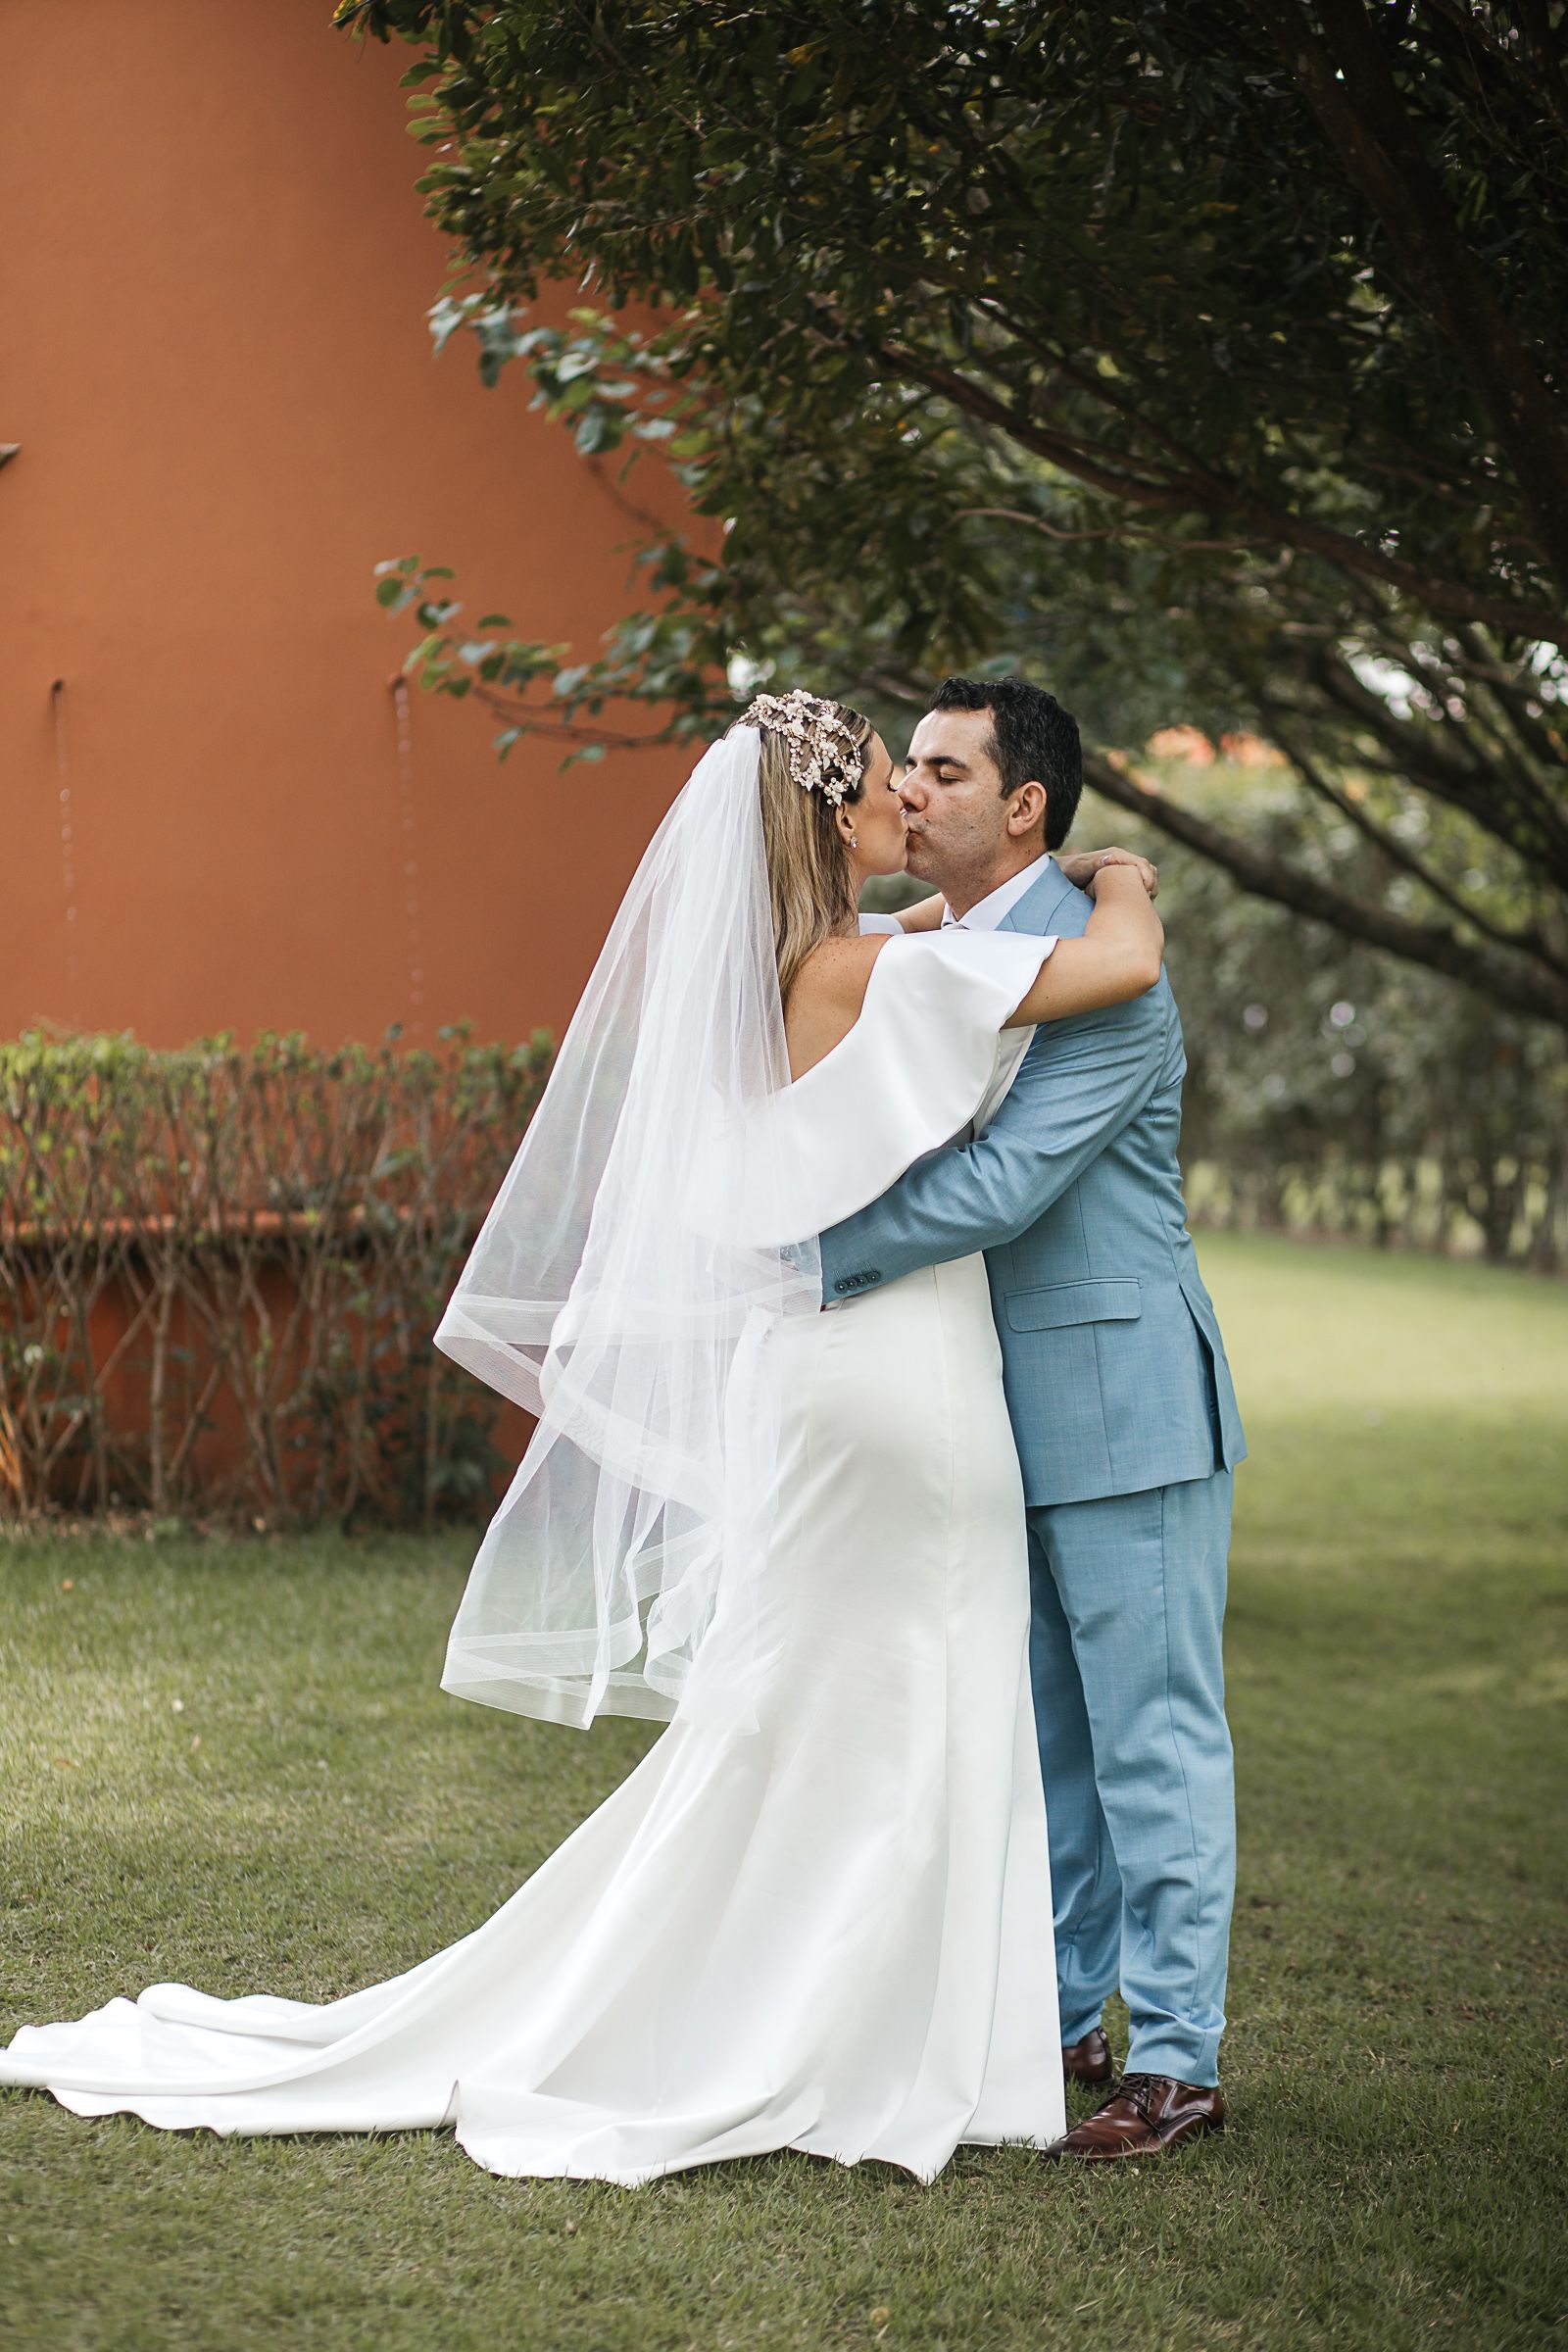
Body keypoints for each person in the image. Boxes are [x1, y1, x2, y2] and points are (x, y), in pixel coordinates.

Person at [0, 690, 1164, 2185]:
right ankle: (854, 2033)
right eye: (886, 782)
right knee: (899, 1686)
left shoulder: (798, 973)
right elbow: (1119, 963)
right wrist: (1122, 873)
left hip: (819, 1373)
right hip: (897, 1378)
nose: (909, 804)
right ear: (830, 819)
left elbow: (956, 945)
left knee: (821, 1699)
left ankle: (835, 2008)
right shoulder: (866, 973)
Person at [832, 675, 1246, 2162]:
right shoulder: (931, 945)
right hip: (989, 1404)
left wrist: (808, 1247)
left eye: (945, 771)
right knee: (1054, 1745)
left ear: (1024, 806)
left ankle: (1178, 2061)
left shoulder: (1109, 975)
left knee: (1154, 1741)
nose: (911, 788)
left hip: (1126, 1402)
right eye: (908, 766)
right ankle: (1069, 2016)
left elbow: (1006, 1185)